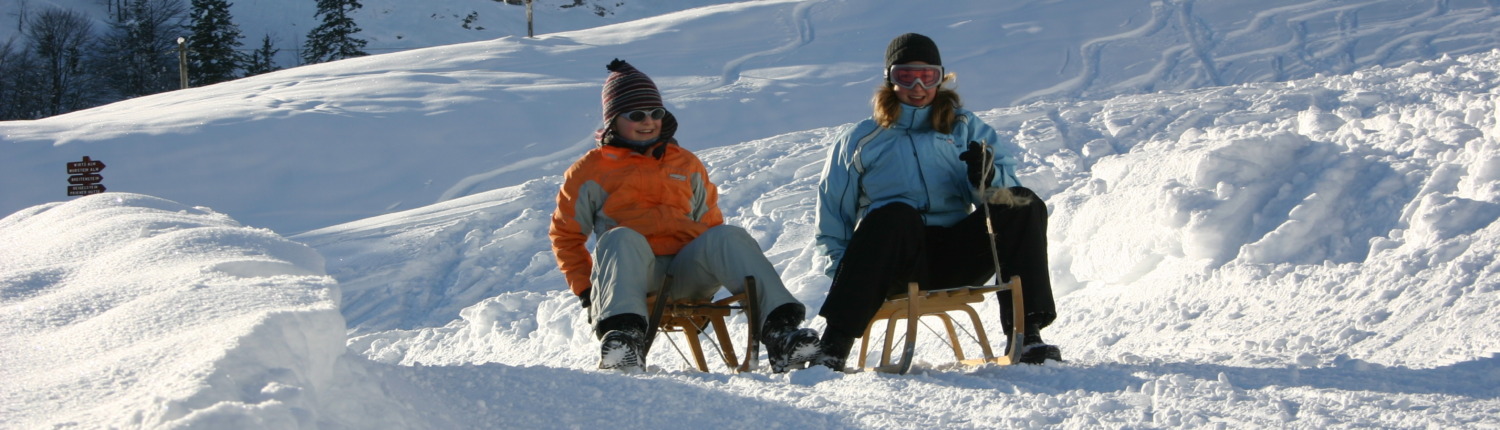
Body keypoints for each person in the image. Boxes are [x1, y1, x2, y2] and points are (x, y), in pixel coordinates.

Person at [810, 33, 1062, 371]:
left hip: (957, 256)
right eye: (905, 75)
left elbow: (1002, 202)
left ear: (941, 78)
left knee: (1021, 202)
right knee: (896, 213)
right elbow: (833, 218)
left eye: (927, 76)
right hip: (895, 261)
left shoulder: (965, 128)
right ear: (890, 79)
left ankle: (1026, 334)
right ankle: (834, 345)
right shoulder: (859, 140)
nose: (917, 85)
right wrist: (848, 274)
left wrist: (985, 182)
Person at [550, 59, 820, 373]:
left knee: (726, 235)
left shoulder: (685, 163)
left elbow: (710, 224)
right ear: (613, 120)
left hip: (686, 273)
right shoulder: (590, 170)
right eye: (636, 114)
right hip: (632, 279)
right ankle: (625, 339)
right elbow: (566, 236)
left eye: (656, 113)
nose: (648, 121)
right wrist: (587, 291)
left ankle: (780, 333)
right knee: (620, 236)